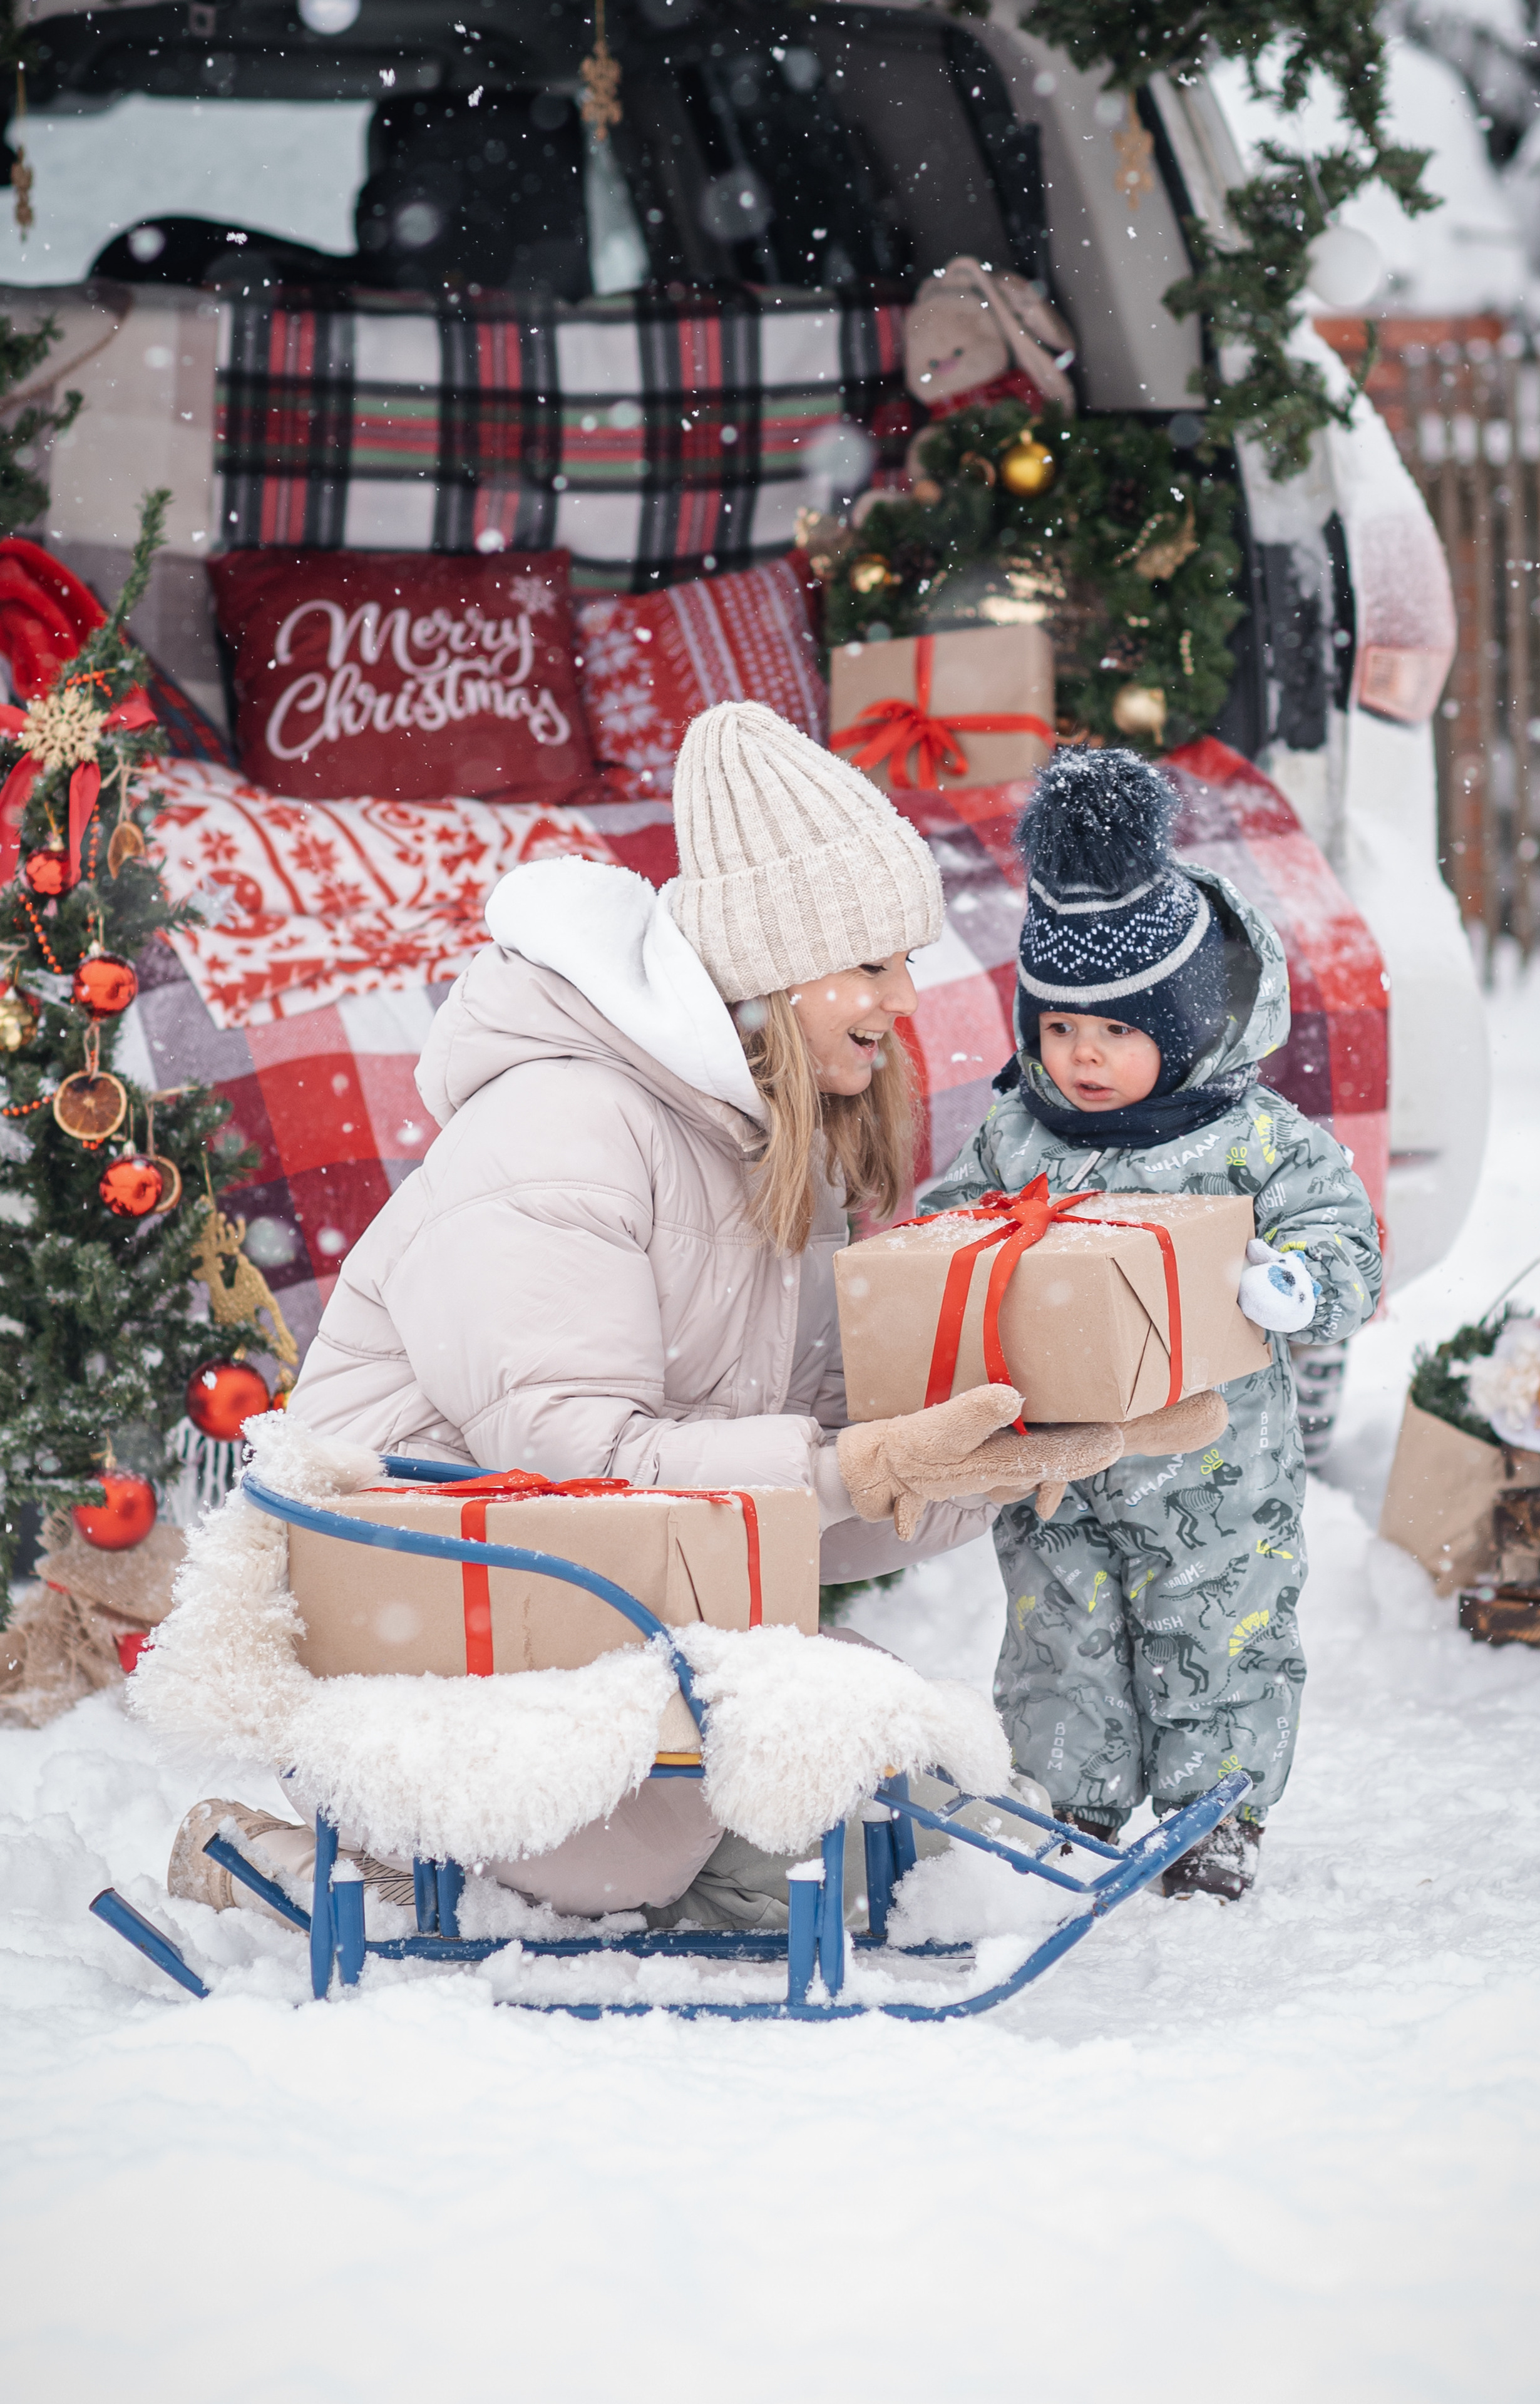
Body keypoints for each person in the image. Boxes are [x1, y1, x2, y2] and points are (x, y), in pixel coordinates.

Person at [167, 703, 1199, 1927]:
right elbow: (573, 1459)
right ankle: (314, 1868)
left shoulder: (773, 1157)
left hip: (601, 1613)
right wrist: (856, 1465)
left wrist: (978, 1466)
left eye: (905, 963)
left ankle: (650, 1881)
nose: (905, 1001)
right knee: (692, 1858)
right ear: (774, 971)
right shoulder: (564, 1127)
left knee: (904, 1799)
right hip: (437, 1632)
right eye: (872, 964)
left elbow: (789, 1515)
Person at [920, 745, 1383, 1901]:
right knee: (1060, 1633)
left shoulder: (1253, 1139)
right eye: (1060, 1027)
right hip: (1058, 1459)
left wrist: (1299, 1282)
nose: (1082, 1056)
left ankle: (1214, 1810)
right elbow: (945, 1229)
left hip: (1217, 1470)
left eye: (1118, 1032)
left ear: (1179, 1026)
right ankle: (1068, 1794)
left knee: (1216, 1632)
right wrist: (947, 1266)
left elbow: (1345, 1240)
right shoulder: (1018, 1135)